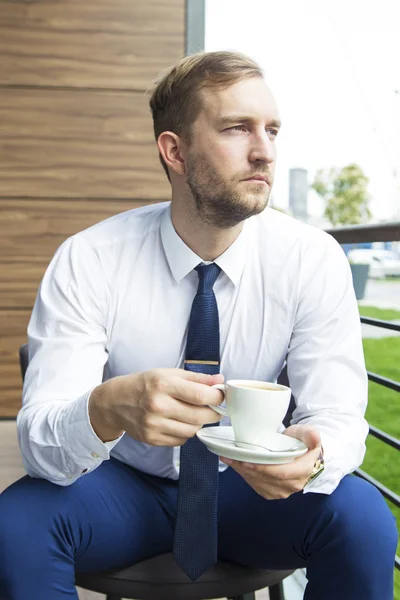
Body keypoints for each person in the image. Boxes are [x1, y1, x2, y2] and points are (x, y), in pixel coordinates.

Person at [0, 50, 397, 600]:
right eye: (237, 128)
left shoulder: (313, 259)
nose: (264, 152)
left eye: (272, 130)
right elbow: (41, 442)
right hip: (123, 488)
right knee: (14, 526)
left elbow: (337, 415)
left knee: (362, 518)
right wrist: (106, 408)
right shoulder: (89, 257)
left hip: (248, 491)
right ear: (175, 150)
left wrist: (315, 453)